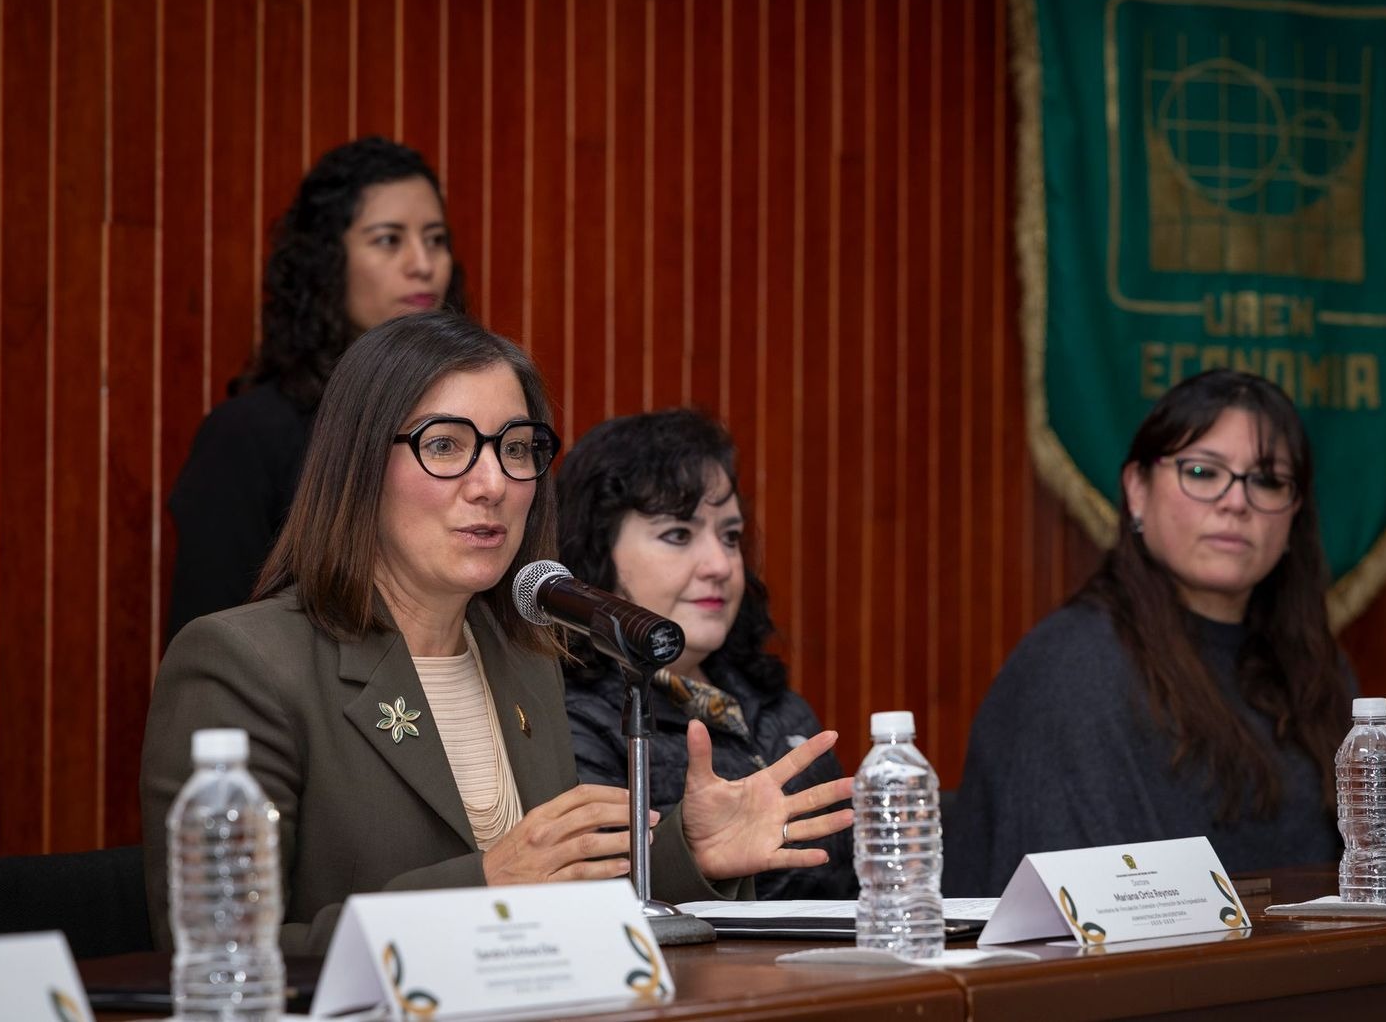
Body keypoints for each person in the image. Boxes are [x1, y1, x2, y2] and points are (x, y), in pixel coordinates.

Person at [140, 313, 854, 954]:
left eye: (516, 449)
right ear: (359, 466)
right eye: (446, 446)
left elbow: (558, 895)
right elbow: (217, 948)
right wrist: (483, 883)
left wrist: (684, 850)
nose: (493, 483)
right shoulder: (242, 662)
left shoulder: (524, 659)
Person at [944, 369, 1355, 896]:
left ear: (1295, 514)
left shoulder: (1317, 666)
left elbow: (1384, 868)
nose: (1236, 502)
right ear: (1137, 490)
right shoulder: (1075, 667)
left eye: (1267, 480)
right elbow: (1086, 920)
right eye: (1204, 472)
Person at [166, 136, 467, 639]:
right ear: (328, 262)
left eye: (436, 239)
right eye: (389, 239)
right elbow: (207, 638)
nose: (423, 262)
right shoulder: (248, 434)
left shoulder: (474, 421)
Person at [557, 409, 857, 900]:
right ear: (597, 553)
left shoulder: (777, 707)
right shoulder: (577, 721)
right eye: (679, 534)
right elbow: (601, 907)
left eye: (731, 537)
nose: (720, 564)